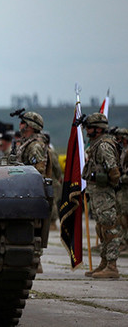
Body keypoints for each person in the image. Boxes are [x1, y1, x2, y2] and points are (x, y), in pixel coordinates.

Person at [81, 113, 121, 278]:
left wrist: (109, 186)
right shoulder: (96, 144)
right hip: (97, 192)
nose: (87, 130)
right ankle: (104, 263)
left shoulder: (103, 146)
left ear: (98, 129)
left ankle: (112, 266)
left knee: (109, 228)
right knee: (101, 228)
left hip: (104, 192)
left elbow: (114, 171)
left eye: (89, 127)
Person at [16, 112, 51, 178]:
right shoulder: (26, 143)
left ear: (30, 126)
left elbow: (38, 172)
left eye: (22, 122)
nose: (20, 124)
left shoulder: (35, 146)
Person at [114, 127, 128, 253]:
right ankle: (122, 240)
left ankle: (125, 241)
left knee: (124, 214)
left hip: (125, 186)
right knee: (120, 214)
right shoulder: (121, 150)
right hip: (121, 187)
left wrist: (122, 178)